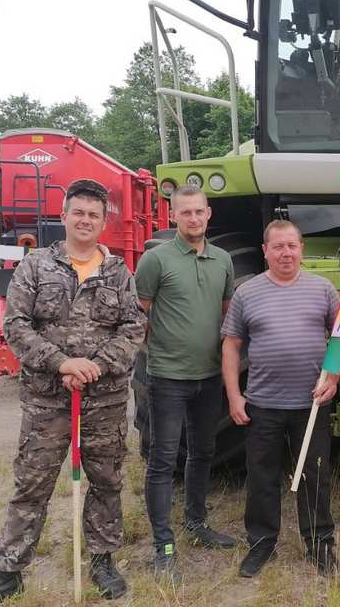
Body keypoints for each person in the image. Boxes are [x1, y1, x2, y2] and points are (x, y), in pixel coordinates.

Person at [0, 179, 146, 606]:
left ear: (104, 222)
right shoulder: (35, 267)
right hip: (47, 399)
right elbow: (15, 325)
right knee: (32, 483)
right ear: (63, 217)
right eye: (77, 212)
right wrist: (61, 362)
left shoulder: (119, 273)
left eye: (93, 214)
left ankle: (102, 559)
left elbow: (133, 329)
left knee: (106, 480)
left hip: (104, 399)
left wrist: (94, 367)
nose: (85, 220)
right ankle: (7, 571)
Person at [222, 220, 340, 578]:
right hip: (263, 403)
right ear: (265, 251)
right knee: (261, 476)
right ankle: (261, 543)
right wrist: (234, 396)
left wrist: (334, 377)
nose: (286, 253)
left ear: (301, 248)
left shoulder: (323, 289)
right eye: (278, 247)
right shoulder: (248, 293)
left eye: (291, 246)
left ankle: (320, 543)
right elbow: (231, 345)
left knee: (315, 477)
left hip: (312, 403)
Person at [134, 184, 237, 578]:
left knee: (203, 452)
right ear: (173, 216)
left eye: (199, 212)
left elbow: (228, 315)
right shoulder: (156, 261)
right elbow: (137, 315)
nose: (193, 218)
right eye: (186, 213)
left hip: (209, 376)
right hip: (167, 378)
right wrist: (156, 355)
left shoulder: (223, 260)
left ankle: (197, 522)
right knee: (162, 461)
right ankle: (163, 544)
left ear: (209, 214)